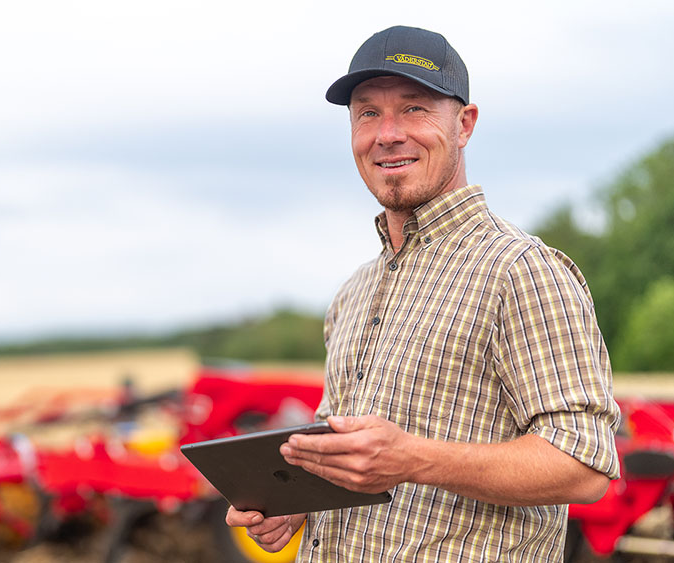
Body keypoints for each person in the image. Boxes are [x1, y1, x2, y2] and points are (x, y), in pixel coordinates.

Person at [225, 25, 620, 561]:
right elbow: (351, 463)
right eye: (367, 113)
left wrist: (414, 459)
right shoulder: (354, 293)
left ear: (465, 124)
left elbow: (585, 466)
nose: (387, 133)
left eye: (413, 109)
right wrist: (298, 501)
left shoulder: (521, 271)